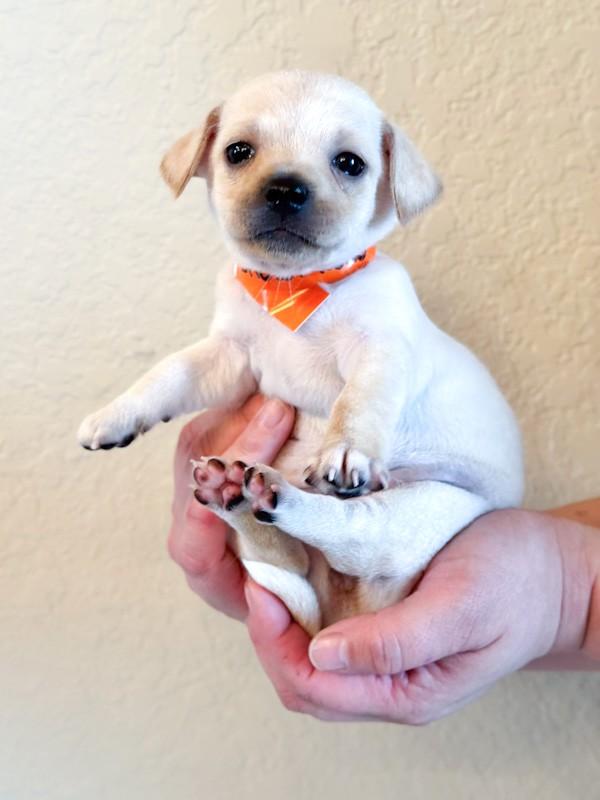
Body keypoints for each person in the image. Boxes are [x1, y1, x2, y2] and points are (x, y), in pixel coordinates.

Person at [168, 396, 600, 724]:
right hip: (368, 563)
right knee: (296, 566)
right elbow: (497, 589)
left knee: (328, 549)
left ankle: (273, 515)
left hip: (366, 546)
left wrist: (566, 594)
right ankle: (266, 520)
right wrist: (545, 592)